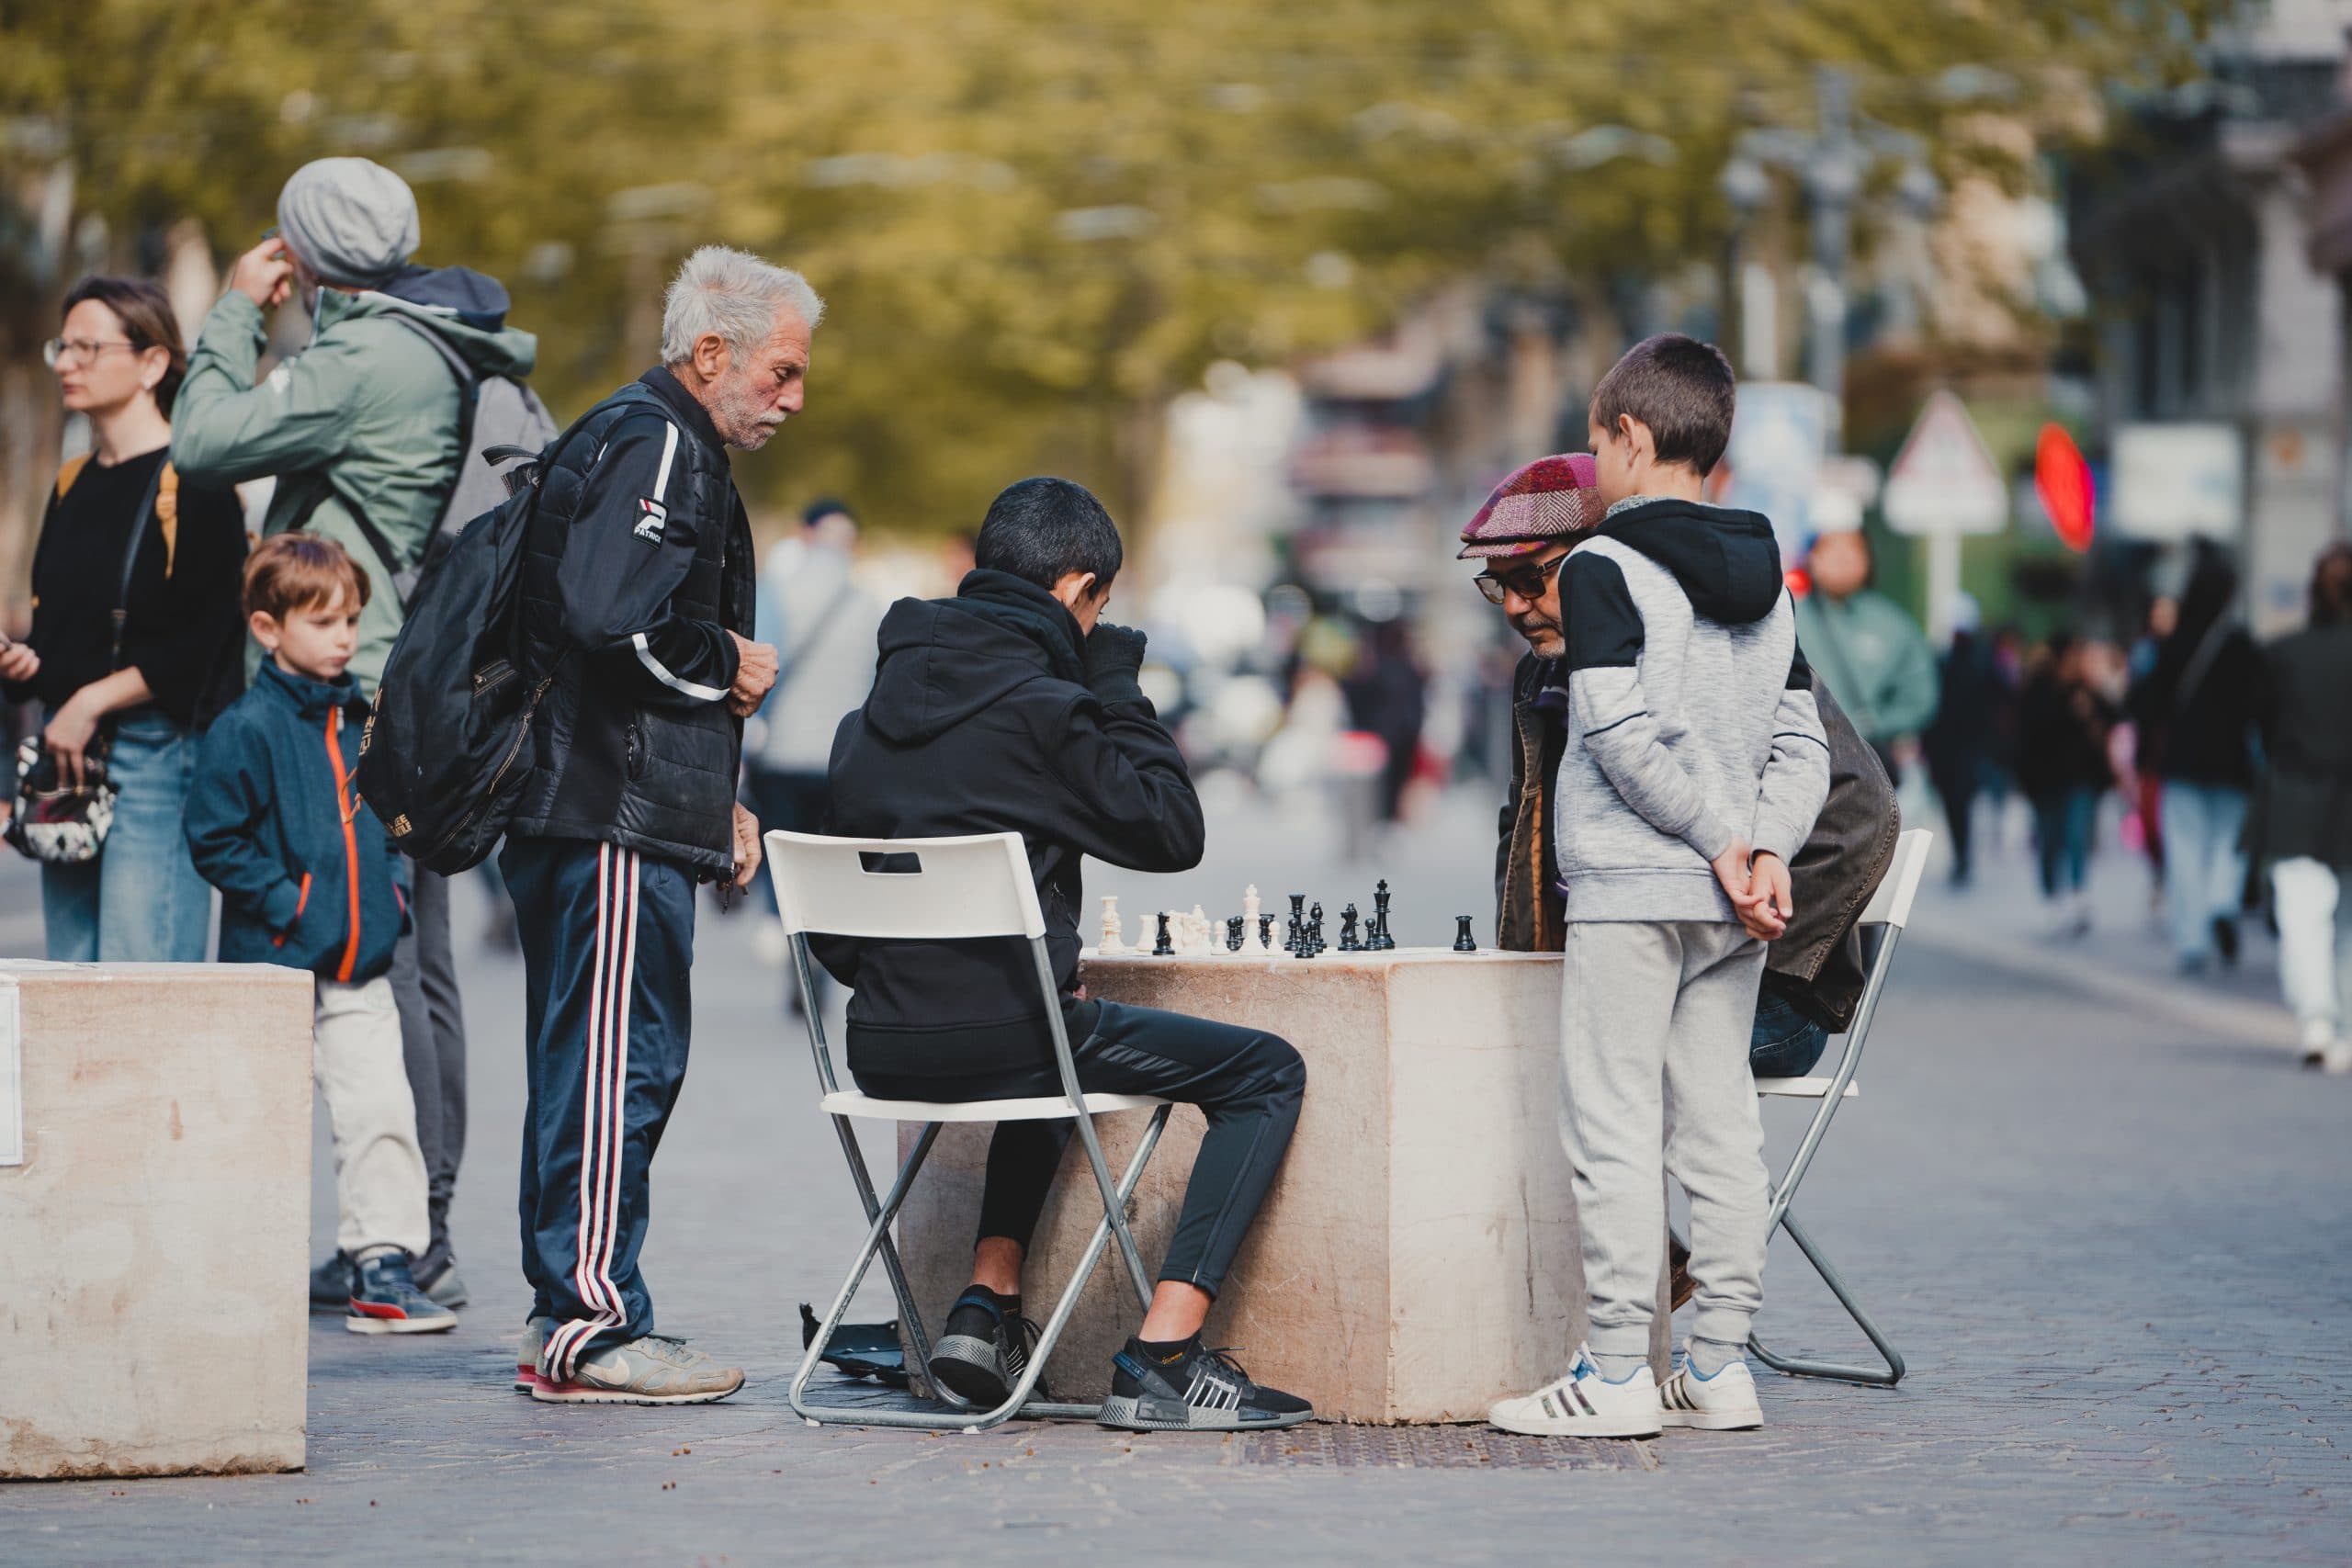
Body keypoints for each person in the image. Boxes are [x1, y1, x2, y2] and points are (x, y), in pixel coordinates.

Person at [815, 477, 1314, 1433]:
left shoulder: (865, 721)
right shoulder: (1045, 709)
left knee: (1044, 1021)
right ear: (1078, 589)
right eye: (1098, 609)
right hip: (1012, 1040)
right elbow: (1172, 830)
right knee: (1265, 1073)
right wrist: (1117, 687)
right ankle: (1165, 1357)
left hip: (879, 1048)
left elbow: (838, 932)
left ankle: (984, 1312)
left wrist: (929, 985)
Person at [174, 157, 540, 1309]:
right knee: (410, 959)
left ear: (307, 250)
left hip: (354, 706)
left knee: (388, 960)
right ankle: (411, 1227)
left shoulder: (371, 353)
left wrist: (238, 311)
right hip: (394, 692)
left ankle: (410, 1235)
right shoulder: (428, 341)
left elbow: (205, 439)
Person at [1477, 335, 1829, 1440]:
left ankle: (1619, 1373)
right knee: (1720, 1129)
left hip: (1635, 887)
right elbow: (1803, 744)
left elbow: (1614, 730)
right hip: (1732, 906)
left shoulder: (1602, 568)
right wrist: (1764, 851)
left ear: (1629, 436)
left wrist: (1720, 841)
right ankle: (1718, 1365)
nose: (1595, 463)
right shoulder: (1768, 577)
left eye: (1596, 443)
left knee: (1614, 1126)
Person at [500, 246, 797, 1405]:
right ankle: (591, 1322)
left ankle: (568, 1309)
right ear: (710, 352)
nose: (792, 398)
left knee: (598, 1062)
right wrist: (728, 660)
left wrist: (717, 799)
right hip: (605, 819)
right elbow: (609, 622)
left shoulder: (650, 437)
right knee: (615, 1066)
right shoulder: (659, 441)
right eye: (780, 371)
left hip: (609, 808)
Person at [181, 534, 452, 1335]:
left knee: (381, 1111)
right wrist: (293, 905)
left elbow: (389, 822)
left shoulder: (363, 720)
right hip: (275, 968)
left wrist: (390, 897)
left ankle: (383, 1264)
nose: (344, 637)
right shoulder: (246, 727)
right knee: (257, 1121)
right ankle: (239, 1265)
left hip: (361, 965)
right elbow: (214, 838)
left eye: (352, 620)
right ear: (268, 628)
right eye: (324, 621)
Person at [1, 278, 245, 962]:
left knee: (143, 982)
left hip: (155, 755)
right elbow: (66, 631)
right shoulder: (71, 481)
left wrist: (92, 701)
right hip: (68, 755)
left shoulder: (195, 480)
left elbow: (210, 638)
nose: (66, 362)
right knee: (72, 983)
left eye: (88, 347)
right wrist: (26, 663)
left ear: (152, 363)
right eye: (63, 346)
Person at [743, 496, 883, 1001]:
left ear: (806, 537)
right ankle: (822, 950)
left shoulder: (777, 593)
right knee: (828, 863)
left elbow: (756, 672)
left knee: (785, 857)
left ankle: (790, 939)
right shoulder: (870, 605)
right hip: (839, 758)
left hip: (781, 754)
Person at [2132, 552, 2262, 973]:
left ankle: (2191, 939)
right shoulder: (2242, 645)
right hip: (2232, 762)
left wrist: (2143, 755)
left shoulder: (2174, 644)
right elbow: (2260, 705)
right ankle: (2222, 901)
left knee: (2184, 848)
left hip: (2183, 760)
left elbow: (2148, 704)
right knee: (2230, 840)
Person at [2258, 545, 2352, 1071]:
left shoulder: (2283, 654)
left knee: (2302, 916)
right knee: (2349, 921)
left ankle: (2316, 1020)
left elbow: (2264, 729)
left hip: (2295, 796)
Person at [1794, 528, 1938, 781]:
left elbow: (1920, 696)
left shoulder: (1893, 624)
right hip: (1800, 764)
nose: (1842, 559)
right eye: (1831, 549)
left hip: (1867, 769)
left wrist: (1875, 724)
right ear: (1812, 558)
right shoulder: (1789, 617)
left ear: (1867, 559)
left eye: (1852, 549)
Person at [2017, 635, 2116, 936]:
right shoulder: (2039, 688)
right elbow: (2029, 732)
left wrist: (2092, 702)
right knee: (2049, 839)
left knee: (2077, 835)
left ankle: (2078, 895)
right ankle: (2050, 897)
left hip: (2080, 778)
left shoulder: (2086, 690)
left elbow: (2114, 717)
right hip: (2046, 780)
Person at [1922, 595, 2007, 888]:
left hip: (1966, 748)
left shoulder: (1975, 662)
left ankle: (1963, 855)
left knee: (1960, 802)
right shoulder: (1950, 662)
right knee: (1955, 804)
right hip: (1952, 748)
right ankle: (1962, 854)